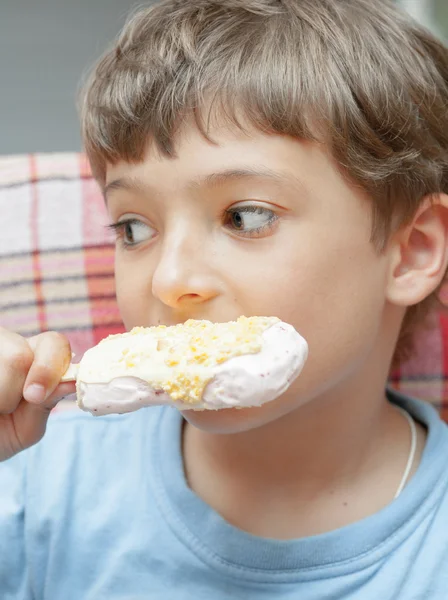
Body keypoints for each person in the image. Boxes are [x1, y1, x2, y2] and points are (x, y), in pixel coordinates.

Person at [1, 0, 448, 597]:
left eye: (246, 216)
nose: (168, 278)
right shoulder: (39, 487)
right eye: (133, 228)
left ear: (413, 251)